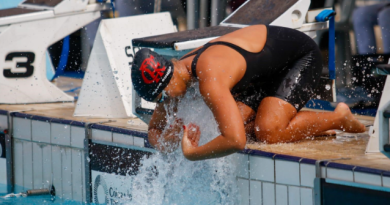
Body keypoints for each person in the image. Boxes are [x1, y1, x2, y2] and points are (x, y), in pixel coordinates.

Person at [131, 24, 366, 161]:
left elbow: (235, 141)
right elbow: (155, 128)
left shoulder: (210, 78)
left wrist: (193, 153)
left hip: (298, 58)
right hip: (259, 75)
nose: (164, 103)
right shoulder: (174, 78)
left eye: (161, 97)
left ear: (168, 77)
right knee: (245, 127)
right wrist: (165, 142)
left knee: (266, 131)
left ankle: (339, 117)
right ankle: (308, 126)